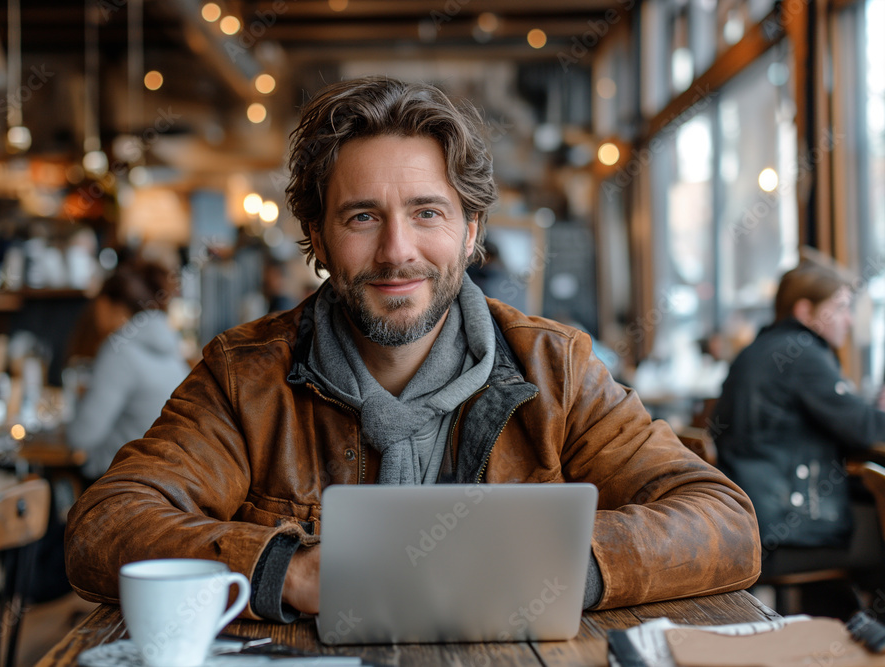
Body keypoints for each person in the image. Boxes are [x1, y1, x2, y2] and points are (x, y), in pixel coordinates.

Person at [65, 77, 760, 621]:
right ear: (319, 236)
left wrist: (552, 567)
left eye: (427, 212)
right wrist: (290, 570)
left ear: (469, 230)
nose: (397, 251)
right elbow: (105, 526)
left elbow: (724, 524)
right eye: (363, 216)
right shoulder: (244, 376)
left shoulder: (557, 369)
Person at [711, 259, 885, 583]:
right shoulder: (804, 353)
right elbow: (863, 429)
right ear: (805, 312)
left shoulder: (758, 348)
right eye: (841, 307)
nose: (848, 320)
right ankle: (859, 631)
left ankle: (830, 627)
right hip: (783, 530)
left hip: (749, 520)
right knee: (880, 536)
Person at [66, 258, 190, 481]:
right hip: (169, 484)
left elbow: (81, 436)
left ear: (106, 305)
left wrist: (80, 400)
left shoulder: (118, 349)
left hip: (123, 485)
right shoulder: (169, 346)